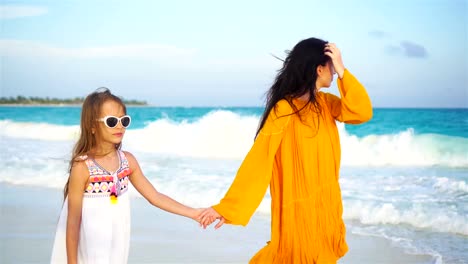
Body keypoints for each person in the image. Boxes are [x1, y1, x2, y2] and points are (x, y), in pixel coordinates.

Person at [199, 38, 372, 263]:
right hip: (297, 214)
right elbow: (259, 161)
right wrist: (229, 207)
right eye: (331, 66)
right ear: (319, 69)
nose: (334, 71)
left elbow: (361, 112)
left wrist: (342, 70)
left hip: (326, 211)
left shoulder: (327, 104)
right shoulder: (283, 109)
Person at [50, 88, 201, 264]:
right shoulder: (83, 166)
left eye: (124, 120)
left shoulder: (127, 161)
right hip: (90, 249)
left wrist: (194, 213)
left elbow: (155, 197)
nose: (120, 126)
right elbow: (73, 222)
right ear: (92, 126)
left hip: (116, 245)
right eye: (112, 121)